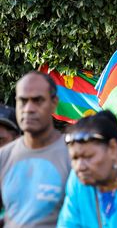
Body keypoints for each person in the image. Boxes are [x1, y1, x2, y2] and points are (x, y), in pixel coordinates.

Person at [0, 71, 71, 227]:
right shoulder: (3, 156)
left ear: (54, 103)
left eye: (37, 100)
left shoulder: (74, 156)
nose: (29, 108)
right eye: (23, 101)